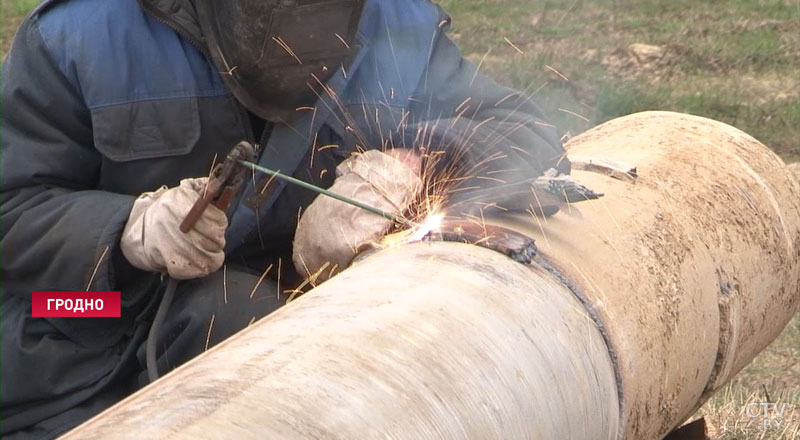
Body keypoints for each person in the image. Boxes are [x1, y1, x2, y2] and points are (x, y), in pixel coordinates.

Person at [0, 0, 568, 438]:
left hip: (309, 312)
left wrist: (410, 169)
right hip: (90, 312)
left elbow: (521, 129)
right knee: (226, 316)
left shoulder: (394, 24)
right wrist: (127, 229)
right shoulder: (81, 34)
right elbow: (11, 208)